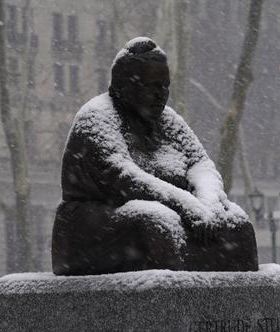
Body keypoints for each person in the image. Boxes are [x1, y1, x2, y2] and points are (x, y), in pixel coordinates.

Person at [52, 37, 258, 275]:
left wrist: (209, 204)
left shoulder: (168, 120)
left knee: (237, 226)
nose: (162, 94)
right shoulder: (96, 118)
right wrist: (186, 205)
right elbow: (124, 180)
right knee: (155, 224)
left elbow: (201, 166)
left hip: (170, 215)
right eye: (152, 86)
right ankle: (179, 307)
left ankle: (228, 310)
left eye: (165, 85)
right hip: (92, 227)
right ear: (123, 87)